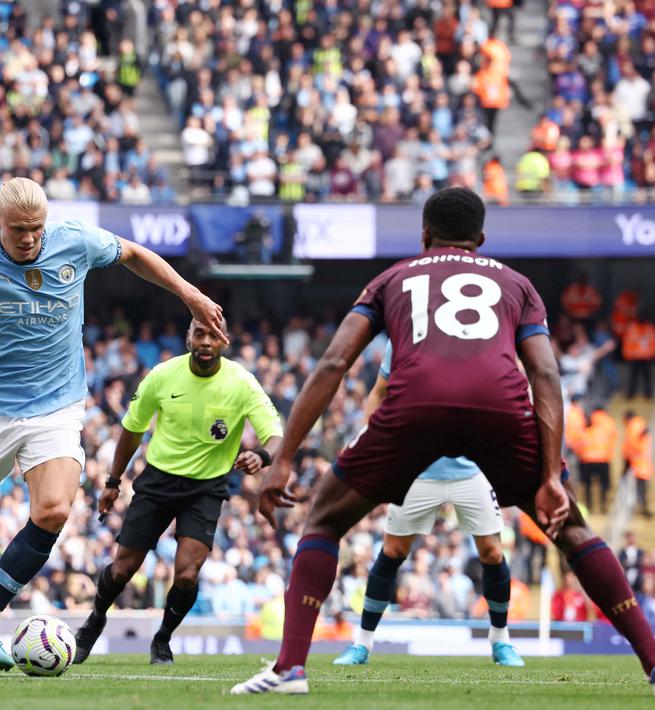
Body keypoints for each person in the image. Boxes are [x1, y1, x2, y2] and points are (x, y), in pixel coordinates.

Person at [233, 187, 655, 695]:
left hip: (415, 405)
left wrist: (284, 458)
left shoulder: (391, 278)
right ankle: (652, 663)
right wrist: (548, 477)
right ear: (480, 238)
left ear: (424, 235)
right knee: (574, 534)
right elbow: (544, 373)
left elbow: (333, 363)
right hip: (499, 406)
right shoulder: (518, 285)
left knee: (323, 520)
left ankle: (290, 669)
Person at [0, 177, 224, 673]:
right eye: (18, 230)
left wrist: (189, 294)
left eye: (36, 229)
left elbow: (135, 254)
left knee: (55, 509)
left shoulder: (75, 240)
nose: (29, 240)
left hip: (56, 409)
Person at [72, 317, 283, 666]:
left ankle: (163, 639)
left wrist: (261, 456)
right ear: (188, 337)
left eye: (212, 336)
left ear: (224, 341)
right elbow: (132, 429)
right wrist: (112, 482)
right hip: (158, 481)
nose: (205, 342)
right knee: (123, 569)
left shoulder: (242, 383)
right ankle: (95, 618)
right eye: (198, 334)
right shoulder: (162, 375)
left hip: (206, 487)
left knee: (186, 574)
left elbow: (275, 435)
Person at [332, 339, 523, 668]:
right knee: (392, 551)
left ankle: (500, 641)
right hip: (417, 467)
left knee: (492, 551)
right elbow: (380, 391)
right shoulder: (407, 336)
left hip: (471, 469)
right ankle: (361, 644)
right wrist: (369, 441)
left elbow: (509, 393)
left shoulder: (482, 337)